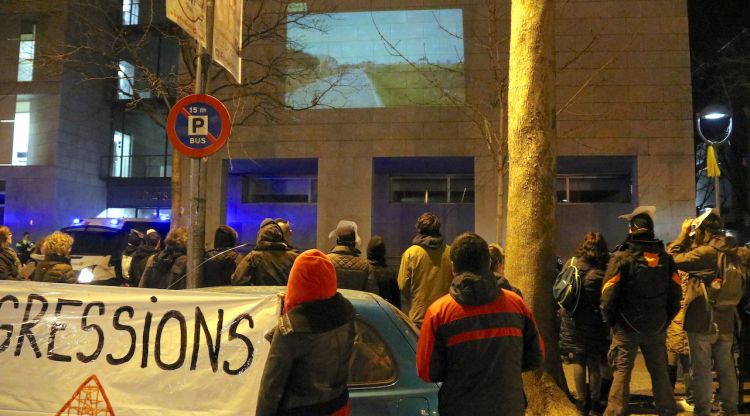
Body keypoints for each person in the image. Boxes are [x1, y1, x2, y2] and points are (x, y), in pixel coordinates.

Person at [416, 232, 544, 415]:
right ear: (487, 264)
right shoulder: (516, 305)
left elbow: (426, 371)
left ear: (453, 267)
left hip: (459, 408)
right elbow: (536, 357)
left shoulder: (438, 312)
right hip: (509, 408)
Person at [601, 206, 680, 416]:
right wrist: (665, 319)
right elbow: (676, 294)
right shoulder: (665, 258)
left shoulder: (621, 258)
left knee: (622, 371)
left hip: (626, 327)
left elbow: (608, 295)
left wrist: (611, 321)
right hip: (657, 326)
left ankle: (616, 410)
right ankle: (667, 407)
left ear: (631, 230)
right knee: (660, 371)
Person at [256, 249, 355, 416]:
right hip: (339, 407)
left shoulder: (291, 329)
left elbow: (271, 390)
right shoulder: (346, 311)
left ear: (296, 282)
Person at [668, 208, 739, 416]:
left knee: (701, 368)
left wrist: (683, 233)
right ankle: (730, 408)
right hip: (727, 317)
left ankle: (703, 409)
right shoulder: (733, 250)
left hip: (702, 319)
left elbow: (672, 257)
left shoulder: (706, 253)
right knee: (726, 367)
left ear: (701, 231)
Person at [558, 232, 610, 415]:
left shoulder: (572, 264)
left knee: (578, 360)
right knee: (594, 362)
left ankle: (582, 403)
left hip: (573, 321)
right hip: (595, 322)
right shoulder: (604, 270)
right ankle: (595, 404)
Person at [397, 212, 453, 327]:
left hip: (420, 316)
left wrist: (416, 299)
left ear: (419, 229)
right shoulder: (451, 252)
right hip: (445, 315)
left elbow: (402, 285)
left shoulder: (410, 253)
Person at [232, 219, 298, 286]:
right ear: (280, 235)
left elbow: (238, 281)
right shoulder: (294, 257)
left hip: (260, 295)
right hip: (284, 295)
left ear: (260, 236)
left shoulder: (253, 257)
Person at [326, 220, 378, 294]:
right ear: (354, 243)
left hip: (331, 305)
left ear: (337, 240)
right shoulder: (365, 266)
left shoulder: (325, 261)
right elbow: (372, 294)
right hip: (357, 305)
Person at [366, 235, 400, 307]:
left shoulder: (364, 269)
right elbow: (396, 301)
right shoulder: (390, 272)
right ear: (383, 252)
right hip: (385, 313)